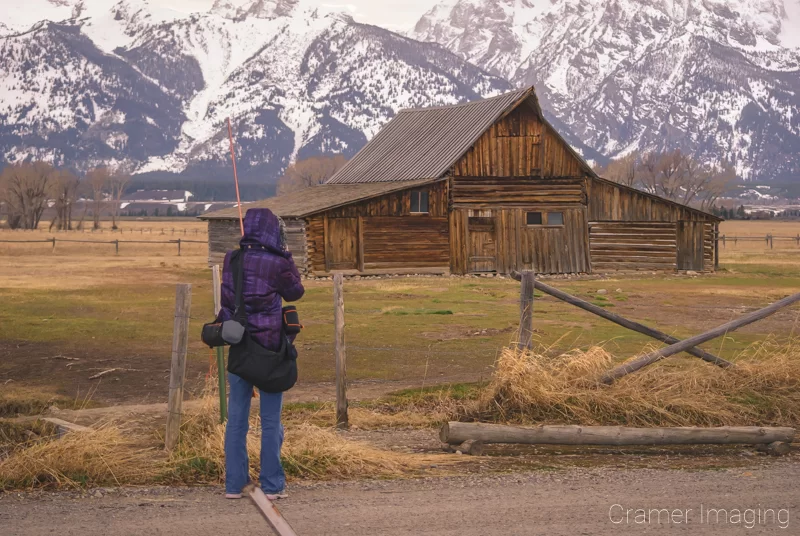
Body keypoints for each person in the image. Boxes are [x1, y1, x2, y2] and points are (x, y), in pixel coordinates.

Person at [215, 208, 304, 500]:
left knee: (237, 421)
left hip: (239, 348)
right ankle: (272, 485)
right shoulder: (277, 263)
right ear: (272, 231)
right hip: (269, 350)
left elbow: (227, 298)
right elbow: (295, 293)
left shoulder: (232, 259)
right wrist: (287, 256)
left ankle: (235, 485)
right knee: (270, 421)